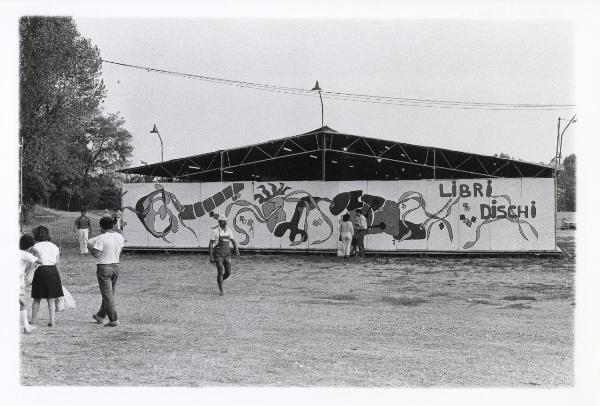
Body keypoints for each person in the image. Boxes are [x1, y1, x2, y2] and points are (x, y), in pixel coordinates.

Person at [87, 217, 125, 327]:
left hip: (104, 266)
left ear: (101, 226)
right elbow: (120, 251)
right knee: (109, 293)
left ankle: (114, 319)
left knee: (107, 294)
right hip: (116, 266)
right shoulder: (119, 236)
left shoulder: (101, 238)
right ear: (113, 225)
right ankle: (100, 315)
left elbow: (96, 254)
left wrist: (90, 247)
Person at [30, 226, 63, 327]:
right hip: (53, 271)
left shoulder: (35, 247)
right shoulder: (55, 247)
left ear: (36, 235)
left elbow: (34, 261)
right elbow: (57, 262)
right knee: (51, 297)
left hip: (41, 270)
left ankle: (33, 319)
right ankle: (52, 321)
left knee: (37, 297)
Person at [208, 214, 239, 295]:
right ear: (219, 222)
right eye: (223, 222)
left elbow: (233, 241)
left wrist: (236, 250)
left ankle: (220, 280)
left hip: (227, 254)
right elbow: (211, 244)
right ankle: (221, 290)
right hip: (218, 255)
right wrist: (211, 256)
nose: (225, 223)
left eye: (226, 222)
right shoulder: (215, 232)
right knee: (220, 270)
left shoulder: (229, 230)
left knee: (228, 272)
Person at [20, 235, 37, 333]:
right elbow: (40, 261)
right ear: (29, 246)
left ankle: (26, 326)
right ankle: (26, 327)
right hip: (18, 282)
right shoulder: (26, 254)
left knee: (21, 303)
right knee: (22, 303)